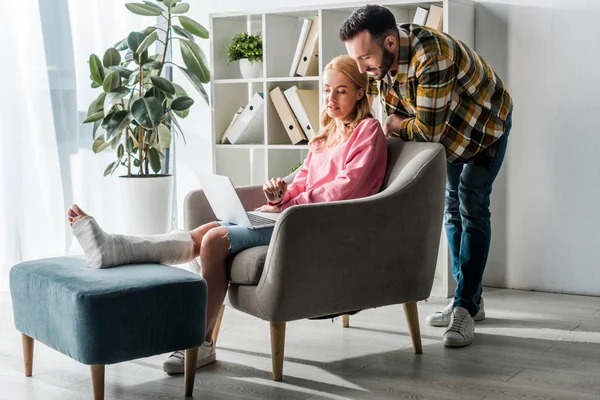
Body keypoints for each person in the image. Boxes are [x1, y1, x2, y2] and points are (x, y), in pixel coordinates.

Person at [67, 55, 388, 374]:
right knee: (204, 233)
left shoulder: (368, 131)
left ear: (360, 92)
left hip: (315, 224)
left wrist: (293, 201)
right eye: (326, 90)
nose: (330, 99)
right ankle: (114, 248)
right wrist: (281, 193)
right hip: (291, 215)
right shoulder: (324, 136)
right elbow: (302, 180)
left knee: (215, 239)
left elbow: (347, 189)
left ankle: (200, 342)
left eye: (341, 91)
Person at [340, 5, 514, 348]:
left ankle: (465, 306)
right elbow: (404, 119)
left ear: (390, 43)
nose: (362, 69)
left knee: (471, 203)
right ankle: (470, 300)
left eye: (365, 59)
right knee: (451, 206)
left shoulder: (431, 56)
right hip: (451, 135)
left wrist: (394, 124)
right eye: (356, 60)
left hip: (485, 128)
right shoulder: (383, 64)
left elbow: (424, 131)